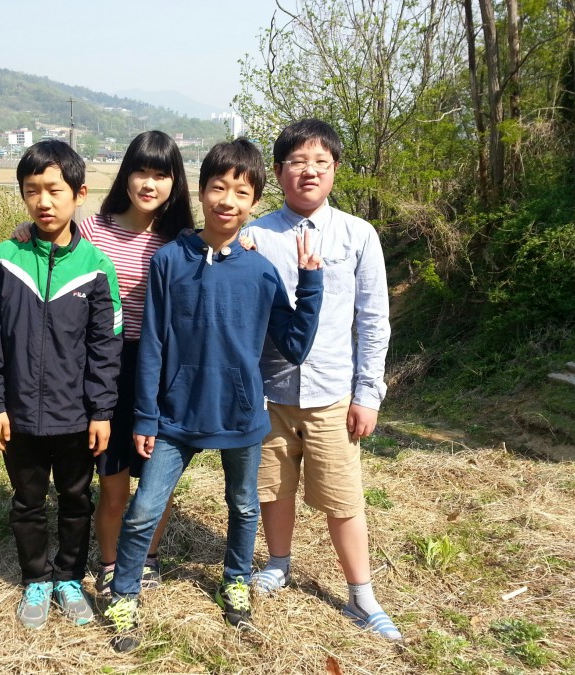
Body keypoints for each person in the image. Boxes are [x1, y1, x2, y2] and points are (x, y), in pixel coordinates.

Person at [104, 139, 324, 652]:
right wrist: (145, 416)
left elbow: (294, 345)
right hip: (175, 415)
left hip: (241, 414)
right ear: (201, 192)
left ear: (254, 202)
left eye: (241, 192)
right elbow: (153, 343)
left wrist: (311, 283)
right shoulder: (169, 260)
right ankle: (124, 594)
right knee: (143, 510)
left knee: (243, 507)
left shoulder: (261, 270)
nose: (228, 200)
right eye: (218, 188)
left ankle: (235, 582)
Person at [14, 131, 195, 597]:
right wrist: (23, 232)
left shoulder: (183, 241)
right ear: (125, 176)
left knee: (156, 482)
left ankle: (146, 558)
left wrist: (245, 243)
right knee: (113, 483)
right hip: (103, 365)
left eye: (161, 174)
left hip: (161, 369)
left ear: (175, 182)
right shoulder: (95, 229)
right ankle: (112, 563)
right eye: (140, 171)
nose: (149, 184)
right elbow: (51, 246)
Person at [244, 119, 402, 641]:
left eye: (320, 162)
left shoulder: (358, 234)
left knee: (344, 497)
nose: (308, 172)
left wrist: (368, 393)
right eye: (297, 162)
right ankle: (278, 564)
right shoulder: (255, 235)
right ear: (279, 171)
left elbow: (373, 319)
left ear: (334, 170)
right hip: (268, 393)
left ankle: (361, 594)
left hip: (333, 395)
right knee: (273, 487)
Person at [0, 140, 123, 630]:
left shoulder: (96, 267)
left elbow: (106, 348)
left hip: (76, 415)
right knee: (27, 501)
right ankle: (36, 578)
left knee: (77, 500)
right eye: (32, 190)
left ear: (79, 194)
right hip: (17, 414)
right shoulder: (1, 260)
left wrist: (102, 411)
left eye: (55, 190)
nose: (44, 201)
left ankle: (70, 577)